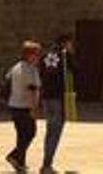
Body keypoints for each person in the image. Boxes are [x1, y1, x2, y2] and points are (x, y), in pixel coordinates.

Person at [39, 34, 76, 173]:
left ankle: (46, 162)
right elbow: (75, 71)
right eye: (70, 44)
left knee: (50, 131)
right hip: (58, 99)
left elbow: (41, 73)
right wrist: (71, 55)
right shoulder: (65, 56)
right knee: (55, 132)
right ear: (65, 43)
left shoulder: (45, 55)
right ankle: (46, 164)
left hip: (46, 98)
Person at [6, 41, 42, 172]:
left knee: (21, 135)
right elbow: (31, 90)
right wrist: (34, 109)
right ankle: (13, 156)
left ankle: (20, 162)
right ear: (29, 55)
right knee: (30, 133)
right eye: (36, 54)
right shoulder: (29, 69)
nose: (38, 57)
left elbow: (8, 79)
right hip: (24, 107)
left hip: (14, 105)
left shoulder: (15, 67)